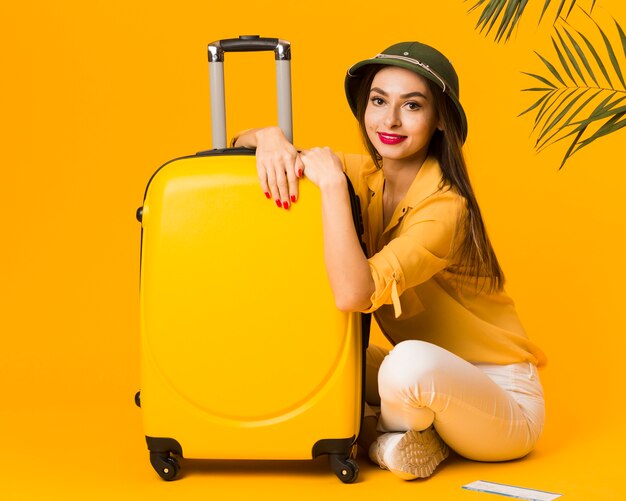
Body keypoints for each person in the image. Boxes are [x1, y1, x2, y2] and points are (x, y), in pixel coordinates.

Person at [233, 41, 546, 480]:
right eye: (379, 101)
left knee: (405, 364)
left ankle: (388, 437)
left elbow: (353, 293)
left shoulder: (447, 207)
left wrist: (332, 190)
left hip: (501, 401)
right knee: (316, 355)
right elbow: (246, 149)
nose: (390, 120)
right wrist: (269, 138)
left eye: (412, 106)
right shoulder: (364, 176)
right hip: (429, 379)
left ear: (439, 122)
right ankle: (410, 431)